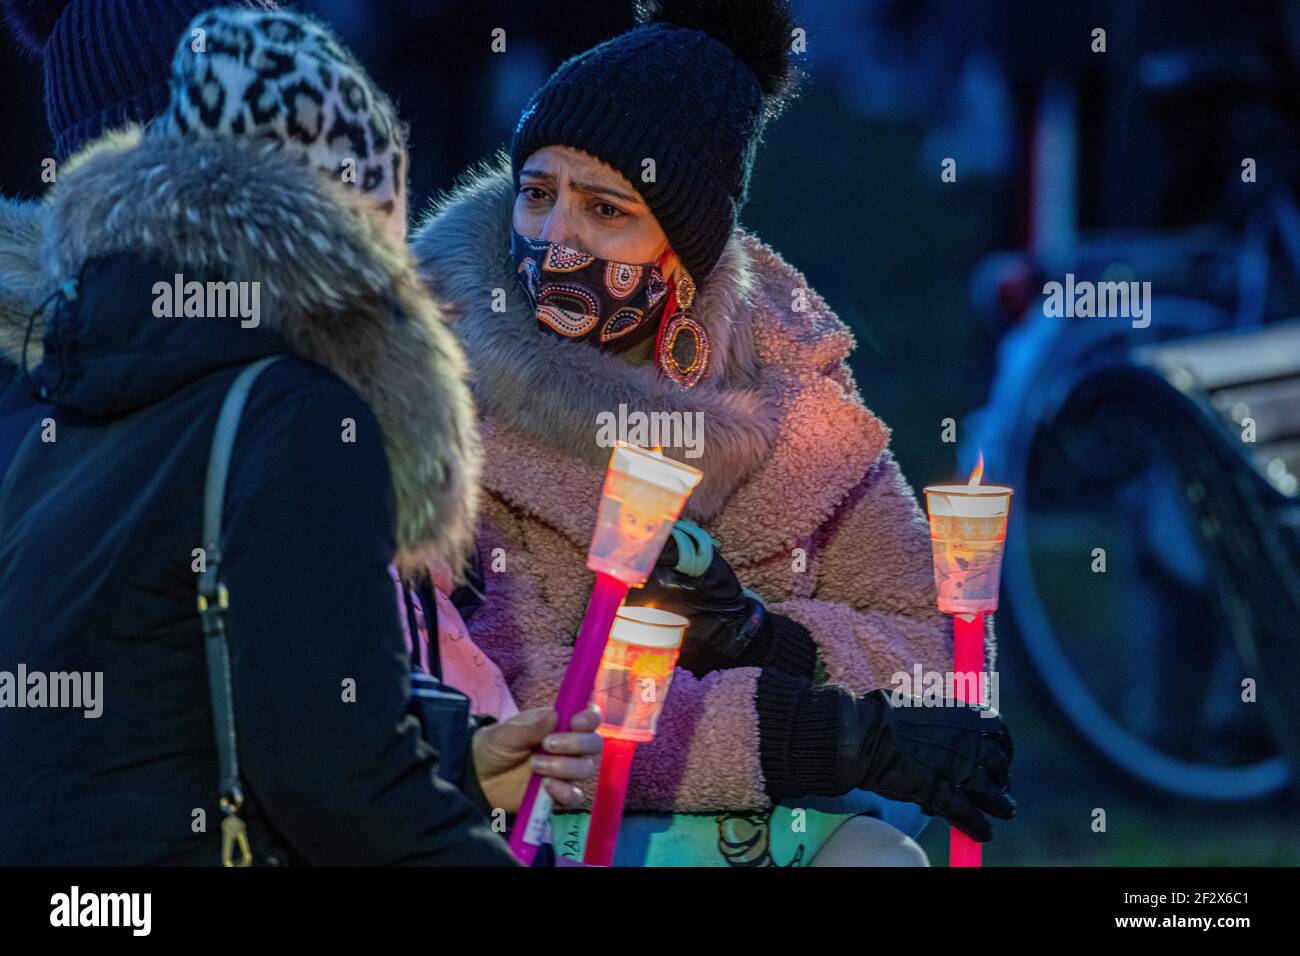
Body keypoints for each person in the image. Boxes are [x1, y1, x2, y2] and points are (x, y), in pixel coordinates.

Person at [412, 0, 1015, 865]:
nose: (553, 237)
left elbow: (936, 656)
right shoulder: (444, 385)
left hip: (747, 813)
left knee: (882, 856)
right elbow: (532, 709)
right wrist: (815, 732)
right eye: (538, 195)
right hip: (528, 835)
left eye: (605, 210)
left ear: (687, 243)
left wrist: (759, 637)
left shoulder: (789, 374)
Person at [0, 5, 599, 866]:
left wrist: (456, 757)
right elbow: (340, 787)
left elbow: (171, 697)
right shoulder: (290, 412)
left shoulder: (60, 399)